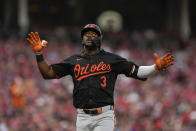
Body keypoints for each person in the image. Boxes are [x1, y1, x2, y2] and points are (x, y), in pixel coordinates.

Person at [26, 24, 174, 131]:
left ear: (100, 39)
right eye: (86, 34)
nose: (89, 36)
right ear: (82, 39)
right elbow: (48, 73)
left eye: (94, 34)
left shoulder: (112, 59)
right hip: (82, 116)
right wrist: (39, 55)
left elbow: (138, 71)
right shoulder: (73, 60)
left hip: (104, 115)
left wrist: (156, 68)